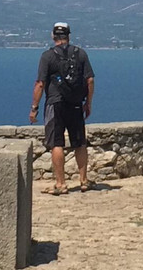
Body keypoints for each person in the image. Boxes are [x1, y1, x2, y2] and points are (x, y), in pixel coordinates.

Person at [29, 22, 94, 194]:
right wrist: (88, 103)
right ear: (69, 36)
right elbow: (90, 80)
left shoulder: (47, 56)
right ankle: (84, 181)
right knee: (80, 143)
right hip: (75, 104)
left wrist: (34, 108)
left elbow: (40, 84)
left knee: (56, 143)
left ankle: (60, 184)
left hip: (55, 105)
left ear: (53, 36)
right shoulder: (80, 54)